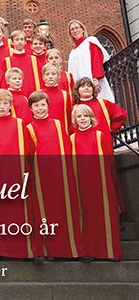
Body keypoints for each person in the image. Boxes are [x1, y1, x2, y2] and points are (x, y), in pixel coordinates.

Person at [26, 91, 86, 260]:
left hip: (62, 173)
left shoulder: (59, 124)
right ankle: (49, 250)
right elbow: (29, 155)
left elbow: (66, 146)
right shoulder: (29, 128)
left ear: (48, 106)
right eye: (36, 106)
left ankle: (73, 249)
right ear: (31, 109)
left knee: (67, 209)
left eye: (43, 104)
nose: (40, 108)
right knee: (47, 212)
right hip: (41, 176)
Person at [0, 89, 36, 260]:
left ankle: (25, 249)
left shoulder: (20, 124)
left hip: (17, 171)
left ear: (11, 105)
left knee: (20, 210)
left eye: (5, 103)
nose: (2, 106)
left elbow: (30, 149)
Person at [71, 105, 122, 259]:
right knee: (87, 216)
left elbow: (109, 162)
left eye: (85, 116)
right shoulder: (72, 139)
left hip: (101, 181)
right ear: (75, 120)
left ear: (91, 117)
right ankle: (90, 251)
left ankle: (110, 251)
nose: (83, 119)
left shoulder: (100, 135)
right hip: (82, 183)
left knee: (105, 214)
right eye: (79, 117)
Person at [68, 20, 115, 101]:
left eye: (77, 28)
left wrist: (95, 79)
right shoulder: (72, 52)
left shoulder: (90, 41)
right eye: (72, 29)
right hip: (80, 86)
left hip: (93, 81)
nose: (75, 31)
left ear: (83, 30)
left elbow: (96, 59)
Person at [6, 30, 41, 97]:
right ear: (12, 42)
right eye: (17, 39)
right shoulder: (7, 61)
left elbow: (41, 80)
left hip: (34, 98)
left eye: (22, 39)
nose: (19, 42)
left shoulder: (33, 59)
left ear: (25, 42)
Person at [41, 62, 72, 131]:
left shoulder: (65, 95)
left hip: (61, 130)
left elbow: (69, 116)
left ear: (58, 77)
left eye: (53, 74)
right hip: (44, 131)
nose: (50, 76)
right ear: (43, 77)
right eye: (47, 74)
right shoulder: (39, 94)